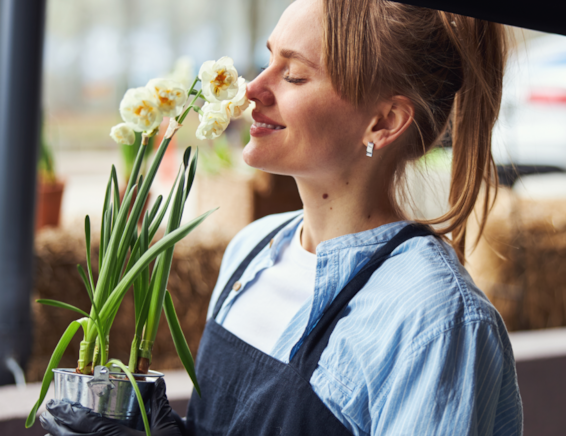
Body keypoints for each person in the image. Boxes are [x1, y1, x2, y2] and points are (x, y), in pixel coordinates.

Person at [41, 0, 523, 434]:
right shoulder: (251, 251)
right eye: (268, 58)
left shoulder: (434, 320)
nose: (253, 89)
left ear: (385, 122)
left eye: (293, 75)